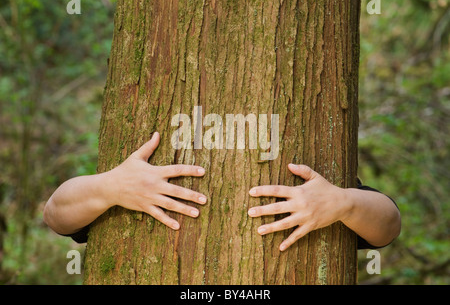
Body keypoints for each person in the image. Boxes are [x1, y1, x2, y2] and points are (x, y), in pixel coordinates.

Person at [43, 132, 401, 251]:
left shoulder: (319, 194)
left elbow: (388, 227)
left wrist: (344, 202)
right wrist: (111, 186)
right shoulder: (131, 183)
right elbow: (56, 215)